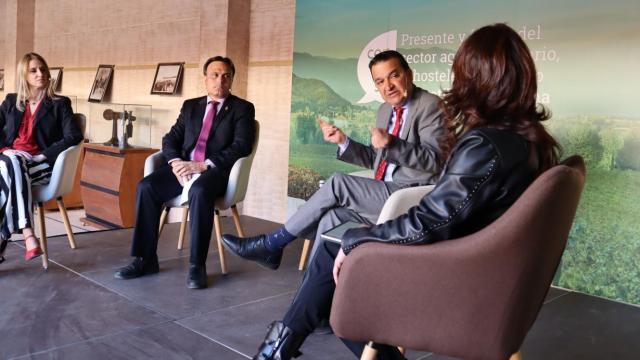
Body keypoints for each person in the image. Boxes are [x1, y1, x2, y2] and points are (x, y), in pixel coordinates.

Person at [250, 23, 561, 360]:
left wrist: (361, 238)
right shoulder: (533, 143)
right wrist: (345, 144)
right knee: (335, 235)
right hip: (488, 271)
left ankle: (282, 338)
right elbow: (438, 203)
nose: (456, 84)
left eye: (461, 74)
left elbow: (434, 216)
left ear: (477, 80)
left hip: (456, 271)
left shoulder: (482, 143)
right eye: (380, 81)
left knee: (340, 251)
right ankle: (290, 335)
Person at [222, 50, 444, 270]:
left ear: (409, 74)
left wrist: (392, 144)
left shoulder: (430, 106)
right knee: (331, 218)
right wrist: (343, 142)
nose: (388, 85)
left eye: (394, 75)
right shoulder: (385, 110)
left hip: (409, 198)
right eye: (380, 81)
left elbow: (435, 160)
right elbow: (375, 159)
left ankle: (272, 244)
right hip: (381, 194)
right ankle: (313, 291)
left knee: (339, 182)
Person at [114, 56, 256, 289]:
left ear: (231, 80)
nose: (220, 80)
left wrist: (205, 164)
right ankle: (145, 259)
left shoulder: (242, 108)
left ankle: (196, 265)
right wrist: (175, 162)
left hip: (216, 172)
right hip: (184, 167)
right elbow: (171, 138)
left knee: (200, 192)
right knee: (146, 187)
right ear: (205, 79)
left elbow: (241, 146)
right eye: (215, 75)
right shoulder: (191, 106)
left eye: (226, 76)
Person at [0, 52, 83, 264]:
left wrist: (42, 156)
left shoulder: (59, 103)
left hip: (40, 165)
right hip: (11, 161)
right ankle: (27, 232)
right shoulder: (11, 101)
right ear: (23, 75)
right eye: (34, 70)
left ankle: (11, 236)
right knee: (13, 160)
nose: (41, 74)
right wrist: (6, 152)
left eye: (43, 69)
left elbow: (74, 136)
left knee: (10, 168)